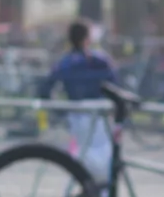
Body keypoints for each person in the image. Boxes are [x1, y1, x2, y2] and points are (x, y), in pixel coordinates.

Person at [37, 18, 120, 177]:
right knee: (103, 155)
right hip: (101, 115)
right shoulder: (101, 61)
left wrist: (61, 112)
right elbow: (116, 85)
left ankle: (88, 183)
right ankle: (100, 187)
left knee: (84, 154)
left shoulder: (65, 62)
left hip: (77, 115)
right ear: (87, 38)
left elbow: (45, 89)